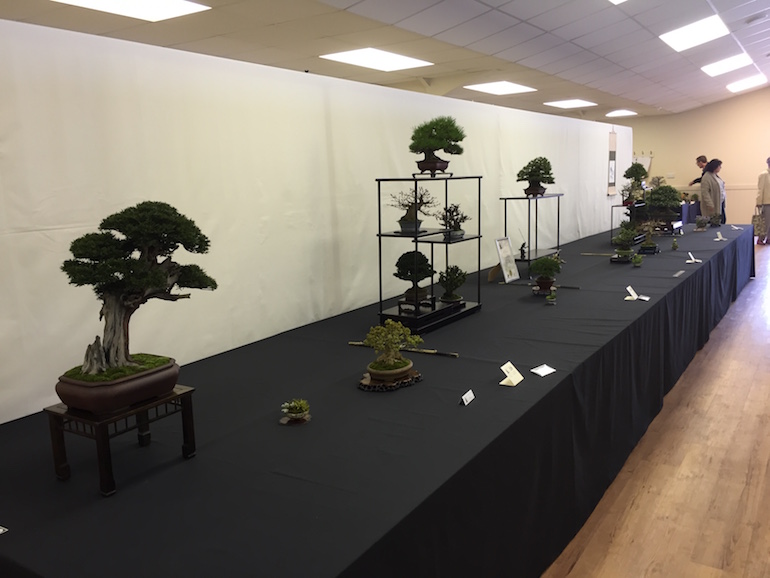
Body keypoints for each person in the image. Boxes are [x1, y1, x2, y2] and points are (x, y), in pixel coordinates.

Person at [757, 156, 770, 244]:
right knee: (765, 222)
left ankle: (769, 238)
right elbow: (760, 189)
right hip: (766, 202)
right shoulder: (764, 174)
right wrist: (759, 202)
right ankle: (761, 239)